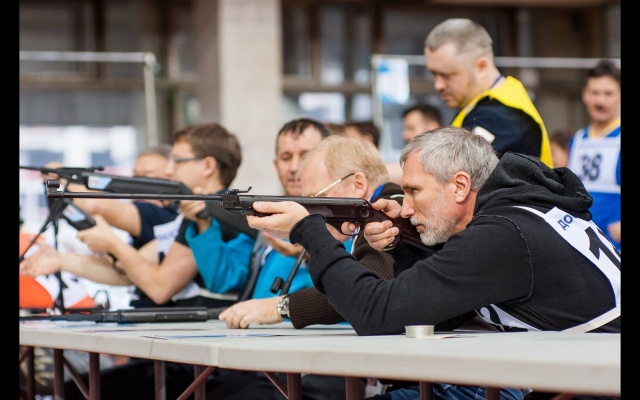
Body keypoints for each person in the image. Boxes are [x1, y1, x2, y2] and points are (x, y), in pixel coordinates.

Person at [243, 126, 620, 400]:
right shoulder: (516, 214)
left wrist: (309, 230)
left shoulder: (502, 234)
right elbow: (436, 314)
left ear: (459, 186)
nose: (405, 207)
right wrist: (402, 245)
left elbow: (378, 315)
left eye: (413, 191)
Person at [424, 18, 554, 168]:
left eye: (446, 75)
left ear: (481, 67)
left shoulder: (498, 117)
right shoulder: (489, 104)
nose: (438, 85)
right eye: (434, 74)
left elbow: (448, 172)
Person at [566, 59, 621, 253]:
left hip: (615, 251)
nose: (600, 101)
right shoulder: (577, 140)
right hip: (583, 248)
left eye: (608, 93)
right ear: (585, 95)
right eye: (594, 93)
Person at [388, 103, 443, 183]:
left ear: (432, 128)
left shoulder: (444, 160)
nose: (405, 135)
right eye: (405, 129)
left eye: (411, 128)